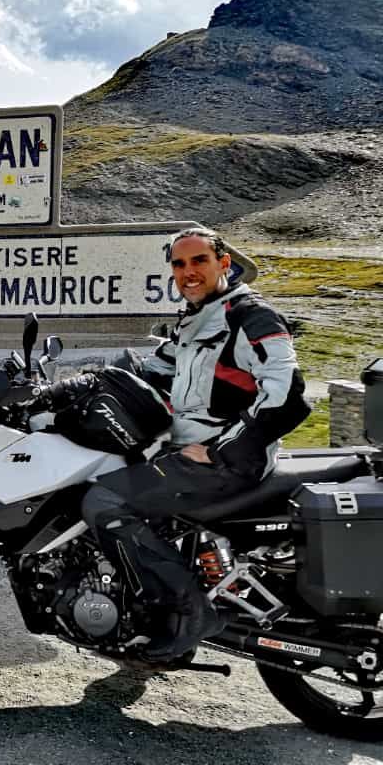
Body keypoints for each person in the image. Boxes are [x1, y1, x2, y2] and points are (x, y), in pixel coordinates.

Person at [75, 227, 310, 662]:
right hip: (190, 452)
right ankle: (152, 617)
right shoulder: (196, 318)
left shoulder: (250, 317)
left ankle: (190, 612)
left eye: (199, 260)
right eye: (179, 264)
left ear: (224, 264)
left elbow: (287, 395)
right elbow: (152, 373)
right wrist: (80, 385)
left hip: (226, 463)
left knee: (105, 502)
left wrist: (222, 450)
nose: (189, 272)